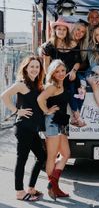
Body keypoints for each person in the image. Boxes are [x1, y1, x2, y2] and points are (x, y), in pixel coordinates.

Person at [1, 55, 46, 202]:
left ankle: (31, 188)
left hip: (32, 128)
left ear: (40, 69)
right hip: (23, 127)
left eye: (37, 67)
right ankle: (19, 192)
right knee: (22, 160)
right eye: (31, 66)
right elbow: (4, 96)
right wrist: (16, 111)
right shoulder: (22, 84)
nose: (34, 69)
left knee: (41, 156)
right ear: (26, 68)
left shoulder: (37, 85)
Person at [42, 18, 86, 127]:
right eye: (59, 29)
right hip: (56, 78)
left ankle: (72, 119)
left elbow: (78, 62)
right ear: (55, 30)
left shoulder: (73, 44)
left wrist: (74, 71)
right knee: (59, 99)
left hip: (70, 76)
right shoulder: (49, 46)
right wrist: (50, 79)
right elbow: (46, 65)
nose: (61, 31)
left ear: (67, 32)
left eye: (64, 29)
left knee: (73, 89)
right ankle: (61, 126)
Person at [37, 59, 71, 200]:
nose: (61, 73)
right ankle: (54, 187)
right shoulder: (52, 86)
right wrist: (47, 111)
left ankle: (53, 184)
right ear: (52, 72)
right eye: (57, 71)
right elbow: (40, 99)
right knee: (52, 156)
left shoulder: (63, 83)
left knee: (66, 154)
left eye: (62, 70)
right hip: (52, 122)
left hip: (61, 121)